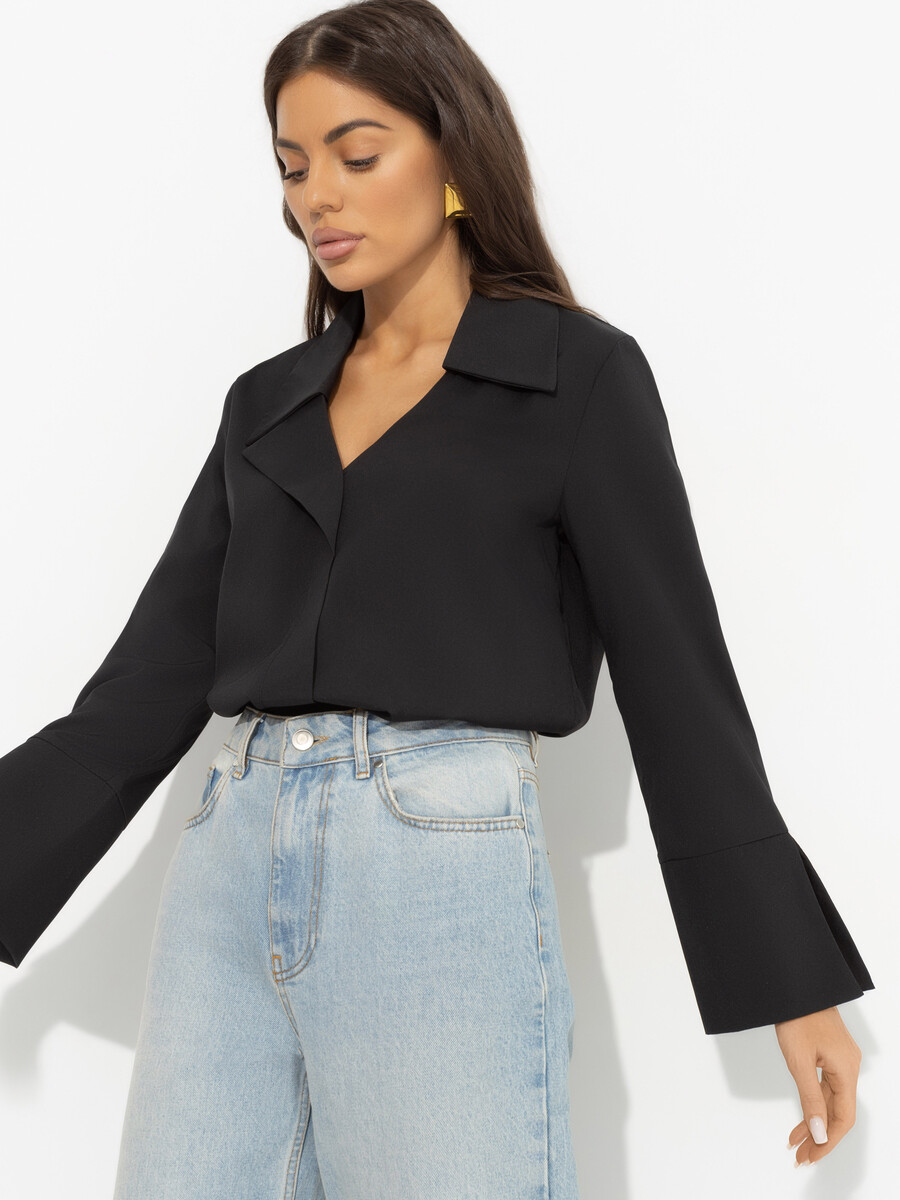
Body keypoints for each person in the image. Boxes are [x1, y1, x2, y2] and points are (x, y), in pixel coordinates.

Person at [0, 1, 874, 1196]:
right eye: (292, 166)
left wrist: (792, 980)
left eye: (357, 156)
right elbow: (136, 699)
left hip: (436, 871)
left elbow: (679, 686)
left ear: (453, 152)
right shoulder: (266, 405)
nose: (318, 197)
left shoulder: (575, 377)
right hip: (227, 869)